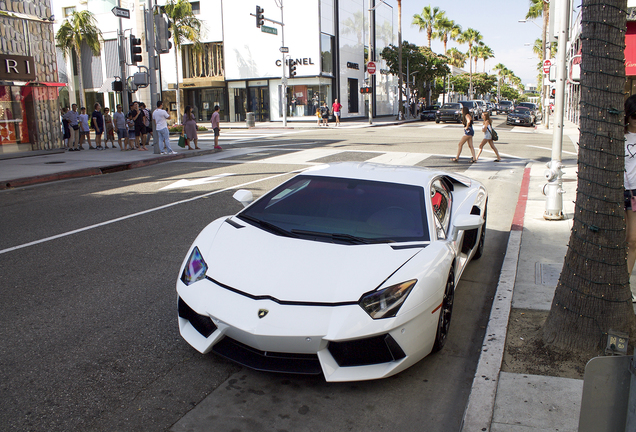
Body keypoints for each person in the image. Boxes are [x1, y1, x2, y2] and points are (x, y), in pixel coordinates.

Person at [624, 95, 636, 302]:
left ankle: (625, 286)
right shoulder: (620, 135)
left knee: (633, 240)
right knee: (619, 240)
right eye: (634, 115)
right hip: (618, 191)